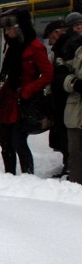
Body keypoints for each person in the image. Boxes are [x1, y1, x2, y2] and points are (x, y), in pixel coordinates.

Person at [0, 9, 53, 175]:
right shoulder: (13, 47)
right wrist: (4, 93)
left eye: (9, 28)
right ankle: (9, 175)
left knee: (18, 140)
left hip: (26, 101)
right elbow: (11, 75)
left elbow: (48, 74)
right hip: (11, 99)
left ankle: (27, 176)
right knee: (4, 140)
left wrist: (29, 89)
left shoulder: (35, 47)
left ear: (19, 27)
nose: (7, 32)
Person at [43, 19, 81, 178]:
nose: (51, 42)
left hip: (71, 104)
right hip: (70, 104)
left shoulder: (69, 47)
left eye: (51, 38)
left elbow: (62, 74)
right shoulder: (68, 46)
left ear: (58, 33)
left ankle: (72, 174)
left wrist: (71, 83)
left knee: (74, 146)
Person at [61, 12, 82, 185]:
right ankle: (75, 190)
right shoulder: (70, 48)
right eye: (76, 26)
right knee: (75, 153)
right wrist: (74, 83)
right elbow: (61, 74)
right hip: (75, 109)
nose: (79, 28)